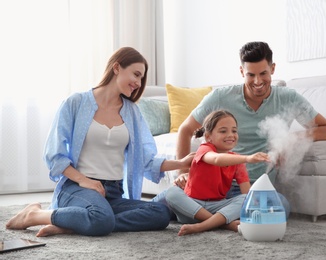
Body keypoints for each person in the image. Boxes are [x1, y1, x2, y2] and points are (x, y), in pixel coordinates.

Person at [6, 47, 194, 237]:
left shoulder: (132, 113)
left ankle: (77, 223)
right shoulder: (76, 103)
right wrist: (85, 181)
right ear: (116, 67)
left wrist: (181, 163)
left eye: (141, 79)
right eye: (136, 75)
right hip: (78, 187)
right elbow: (55, 155)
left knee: (161, 214)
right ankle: (36, 214)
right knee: (102, 218)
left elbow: (145, 161)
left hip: (112, 192)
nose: (138, 83)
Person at [160, 41, 326, 216]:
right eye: (251, 75)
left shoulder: (289, 98)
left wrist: (290, 140)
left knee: (281, 207)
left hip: (252, 191)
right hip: (210, 186)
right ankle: (218, 215)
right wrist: (183, 172)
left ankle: (208, 215)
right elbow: (186, 129)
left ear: (273, 69)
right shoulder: (221, 97)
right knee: (162, 206)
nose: (258, 81)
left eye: (263, 73)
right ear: (242, 71)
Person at [165, 110, 270, 236]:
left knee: (246, 199)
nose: (231, 135)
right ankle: (224, 224)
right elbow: (216, 159)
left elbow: (246, 193)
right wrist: (248, 158)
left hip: (218, 207)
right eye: (223, 131)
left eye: (234, 131)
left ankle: (202, 225)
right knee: (172, 192)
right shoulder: (204, 149)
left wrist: (257, 208)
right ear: (208, 137)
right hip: (192, 207)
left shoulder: (236, 160)